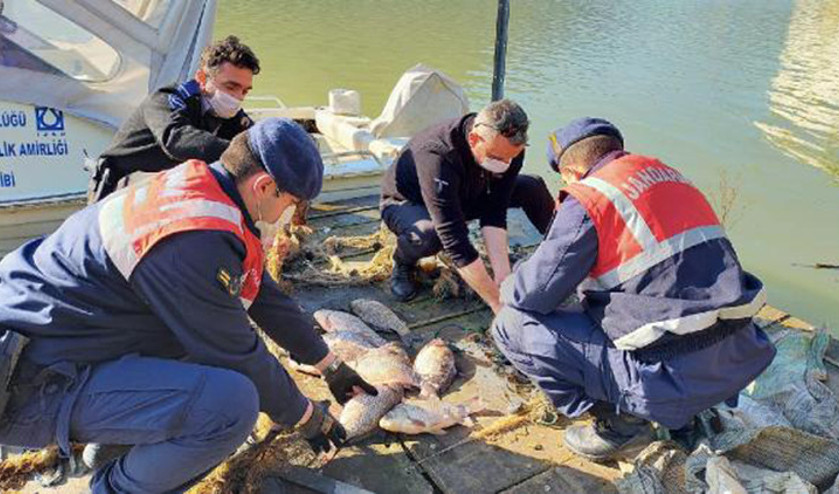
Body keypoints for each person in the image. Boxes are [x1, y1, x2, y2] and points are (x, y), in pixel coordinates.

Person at [0, 118, 376, 493]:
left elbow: (259, 290)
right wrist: (305, 416)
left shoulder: (202, 188)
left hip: (60, 333)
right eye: (291, 203)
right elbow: (238, 354)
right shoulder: (195, 241)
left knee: (190, 350)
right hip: (28, 377)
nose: (289, 216)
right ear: (264, 187)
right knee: (232, 405)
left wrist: (329, 364)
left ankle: (109, 454)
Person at [491, 117, 776, 461]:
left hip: (670, 377)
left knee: (510, 325)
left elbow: (532, 294)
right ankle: (690, 412)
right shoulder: (672, 177)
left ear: (571, 172)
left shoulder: (590, 196)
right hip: (737, 359)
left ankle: (621, 425)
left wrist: (509, 278)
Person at [380, 99, 556, 309]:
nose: (503, 165)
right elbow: (454, 239)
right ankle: (402, 263)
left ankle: (563, 250)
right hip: (410, 203)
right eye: (495, 157)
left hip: (467, 194)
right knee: (430, 235)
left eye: (509, 159)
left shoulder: (510, 147)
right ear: (474, 139)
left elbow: (495, 210)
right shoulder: (437, 153)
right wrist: (496, 303)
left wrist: (503, 276)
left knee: (532, 186)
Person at [88, 35, 259, 203]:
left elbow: (256, 138)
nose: (237, 97)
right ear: (201, 79)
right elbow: (176, 139)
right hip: (121, 186)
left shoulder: (230, 113)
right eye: (231, 87)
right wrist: (239, 154)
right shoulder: (165, 99)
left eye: (245, 91)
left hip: (164, 190)